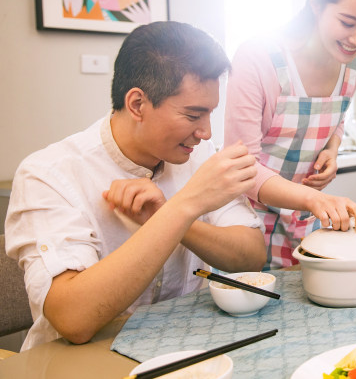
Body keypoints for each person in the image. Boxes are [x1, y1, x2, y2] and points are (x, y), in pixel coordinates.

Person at [5, 21, 267, 350]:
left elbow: (251, 257)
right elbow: (74, 319)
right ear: (137, 105)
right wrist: (184, 207)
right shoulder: (48, 174)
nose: (206, 132)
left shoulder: (198, 155)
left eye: (210, 113)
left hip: (186, 349)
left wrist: (169, 216)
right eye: (193, 115)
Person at [224, 0, 356, 270]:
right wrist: (316, 199)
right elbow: (241, 168)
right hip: (244, 218)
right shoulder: (259, 57)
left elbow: (338, 116)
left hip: (301, 218)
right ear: (316, 3)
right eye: (347, 23)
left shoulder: (354, 62)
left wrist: (333, 147)